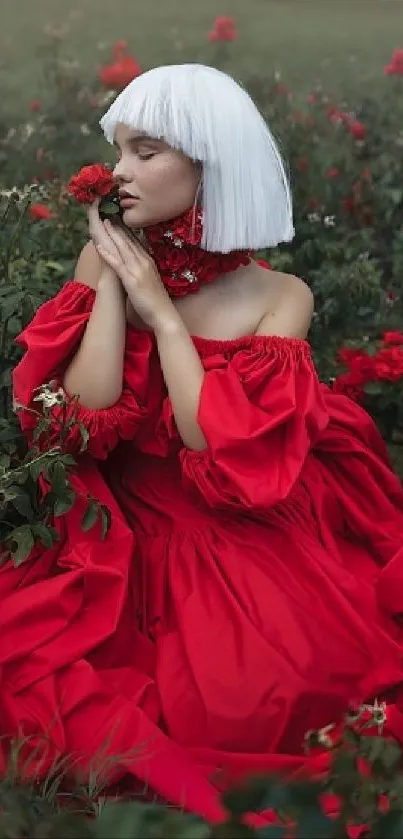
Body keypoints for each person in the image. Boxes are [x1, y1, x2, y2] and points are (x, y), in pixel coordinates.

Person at [2, 63, 403, 825]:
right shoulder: (106, 258)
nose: (120, 171)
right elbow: (82, 416)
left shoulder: (279, 295)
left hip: (238, 507)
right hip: (138, 511)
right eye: (119, 150)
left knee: (264, 690)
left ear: (209, 163)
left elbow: (212, 441)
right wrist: (117, 281)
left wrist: (163, 310)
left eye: (145, 152)